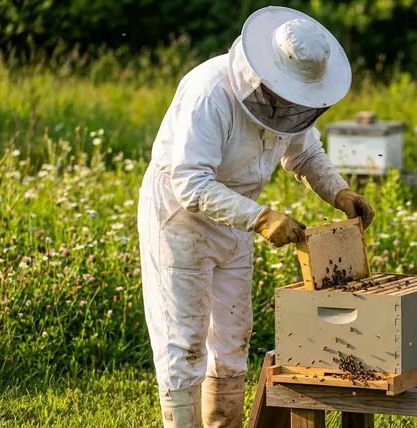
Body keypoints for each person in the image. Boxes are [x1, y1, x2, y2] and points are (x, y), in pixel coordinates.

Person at [136, 6, 374, 428]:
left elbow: (304, 152)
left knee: (232, 338)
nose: (293, 105)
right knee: (185, 344)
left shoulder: (291, 98)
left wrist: (339, 192)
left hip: (237, 220)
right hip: (180, 221)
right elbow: (190, 182)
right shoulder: (211, 91)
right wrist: (262, 217)